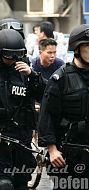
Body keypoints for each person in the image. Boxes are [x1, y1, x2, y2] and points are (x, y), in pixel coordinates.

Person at [38, 24, 89, 190]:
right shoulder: (60, 78)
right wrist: (52, 150)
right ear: (77, 48)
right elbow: (47, 115)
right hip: (67, 154)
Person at [0, 29, 46, 190]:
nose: (13, 60)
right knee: (4, 184)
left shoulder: (24, 70)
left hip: (22, 136)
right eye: (8, 55)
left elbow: (45, 95)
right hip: (1, 136)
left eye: (17, 55)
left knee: (21, 180)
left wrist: (32, 75)